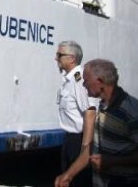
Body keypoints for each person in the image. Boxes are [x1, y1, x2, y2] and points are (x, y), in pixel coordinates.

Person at [83, 59, 138, 187]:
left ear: (100, 81)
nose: (84, 84)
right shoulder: (103, 105)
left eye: (86, 80)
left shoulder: (132, 110)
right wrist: (68, 175)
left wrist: (111, 161)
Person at [54, 41, 97, 187]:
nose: (56, 58)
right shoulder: (70, 79)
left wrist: (85, 147)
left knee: (78, 181)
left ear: (71, 58)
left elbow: (90, 112)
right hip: (70, 139)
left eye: (59, 55)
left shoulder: (79, 79)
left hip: (78, 141)